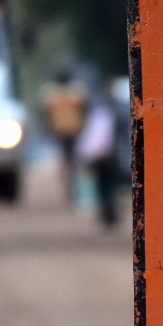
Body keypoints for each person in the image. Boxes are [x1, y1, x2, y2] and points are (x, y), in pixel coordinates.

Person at [74, 83, 125, 229]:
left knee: (103, 184)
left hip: (100, 157)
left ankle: (107, 212)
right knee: (111, 185)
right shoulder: (119, 110)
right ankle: (111, 211)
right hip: (113, 156)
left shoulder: (97, 112)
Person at [38, 68, 88, 206]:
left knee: (69, 161)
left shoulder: (51, 93)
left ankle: (72, 187)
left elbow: (85, 110)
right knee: (70, 161)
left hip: (70, 131)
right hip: (66, 131)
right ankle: (71, 188)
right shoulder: (76, 91)